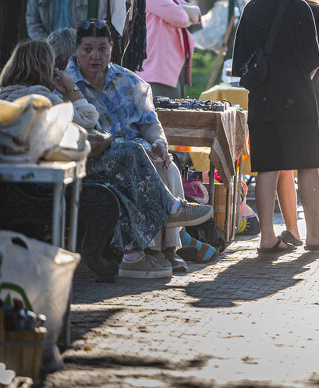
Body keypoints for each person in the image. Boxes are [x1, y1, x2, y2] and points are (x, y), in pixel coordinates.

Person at [65, 20, 213, 279]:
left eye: (102, 48)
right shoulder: (66, 84)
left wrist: (160, 142)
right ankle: (150, 244)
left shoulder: (129, 81)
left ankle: (167, 250)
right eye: (87, 49)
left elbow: (150, 123)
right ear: (76, 51)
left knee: (164, 163)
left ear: (112, 50)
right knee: (139, 159)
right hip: (96, 159)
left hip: (137, 151)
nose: (95, 56)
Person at [231, 0, 319, 256]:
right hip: (298, 101)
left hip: (262, 101)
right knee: (308, 164)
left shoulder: (250, 8)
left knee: (267, 167)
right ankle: (314, 234)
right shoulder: (299, 9)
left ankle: (267, 237)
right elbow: (313, 60)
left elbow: (239, 61)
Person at [269, 0, 319, 249]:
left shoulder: (315, 11)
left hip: (310, 95)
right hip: (283, 97)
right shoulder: (274, 11)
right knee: (285, 164)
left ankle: (318, 230)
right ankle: (293, 231)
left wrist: (296, 66)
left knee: (312, 162)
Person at [137, 0, 200, 98]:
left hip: (170, 67)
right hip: (158, 69)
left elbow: (196, 14)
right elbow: (181, 18)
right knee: (165, 117)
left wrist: (183, 11)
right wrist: (184, 11)